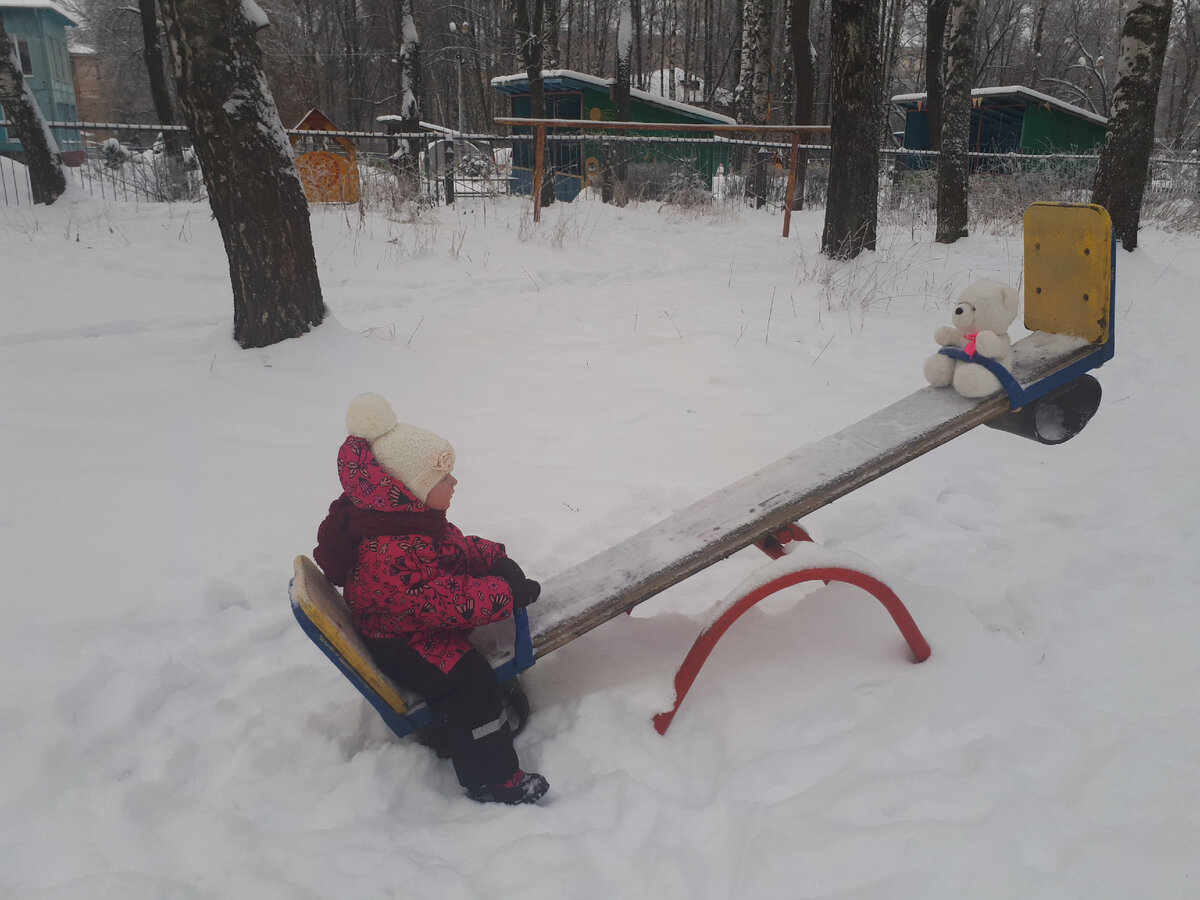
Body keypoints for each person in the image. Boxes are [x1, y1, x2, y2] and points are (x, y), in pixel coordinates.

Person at [313, 393, 548, 805]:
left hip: (413, 625)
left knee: (474, 674)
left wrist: (495, 558)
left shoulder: (409, 523)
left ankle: (468, 734)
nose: (454, 483)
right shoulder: (391, 550)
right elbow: (448, 603)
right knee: (470, 683)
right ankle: (491, 778)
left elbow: (454, 551)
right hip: (404, 643)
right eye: (443, 479)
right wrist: (507, 594)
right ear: (411, 489)